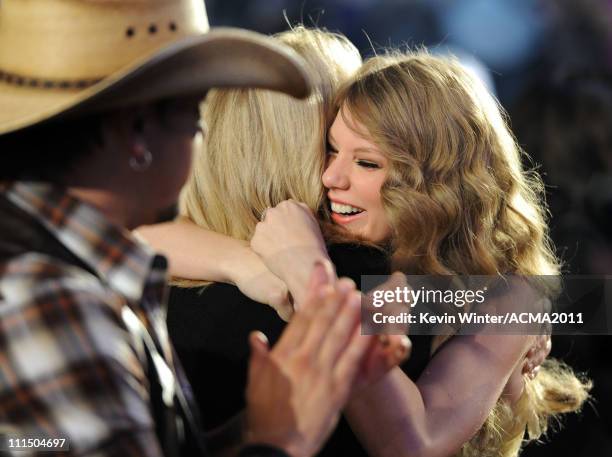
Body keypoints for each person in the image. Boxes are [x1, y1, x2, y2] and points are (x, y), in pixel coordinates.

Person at [0, 2, 406, 456]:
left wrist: (251, 429)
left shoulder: (89, 270)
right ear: (137, 134)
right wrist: (281, 439)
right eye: (196, 119)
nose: (204, 149)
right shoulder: (54, 303)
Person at [138, 49, 590, 457]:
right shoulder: (321, 245)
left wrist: (307, 274)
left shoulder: (493, 295)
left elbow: (412, 444)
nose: (331, 177)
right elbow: (129, 234)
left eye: (367, 162)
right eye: (330, 150)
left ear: (436, 184)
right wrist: (247, 262)